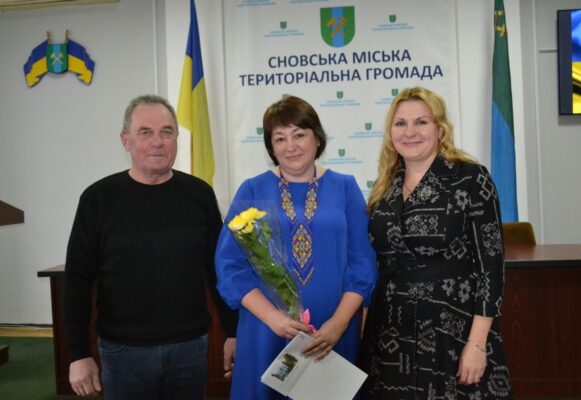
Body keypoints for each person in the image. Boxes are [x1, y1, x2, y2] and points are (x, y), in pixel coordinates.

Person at [63, 94, 237, 399]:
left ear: (176, 138)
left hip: (190, 349)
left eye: (166, 132)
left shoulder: (199, 195)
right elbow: (77, 280)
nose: (158, 142)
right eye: (145, 132)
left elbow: (218, 270)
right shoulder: (97, 199)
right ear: (125, 140)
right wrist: (78, 354)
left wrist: (233, 331)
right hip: (123, 353)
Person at [215, 95, 378, 399]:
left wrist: (339, 323)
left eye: (299, 134)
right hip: (265, 333)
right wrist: (273, 319)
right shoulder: (252, 189)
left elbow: (363, 265)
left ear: (317, 138)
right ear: (271, 147)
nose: (291, 146)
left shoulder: (345, 187)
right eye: (280, 138)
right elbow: (230, 267)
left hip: (331, 337)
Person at [360, 87, 512, 399]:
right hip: (391, 333)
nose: (410, 132)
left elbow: (491, 268)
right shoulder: (385, 186)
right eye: (400, 123)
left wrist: (477, 343)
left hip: (453, 331)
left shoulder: (470, 178)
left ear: (440, 130)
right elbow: (376, 263)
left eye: (421, 122)